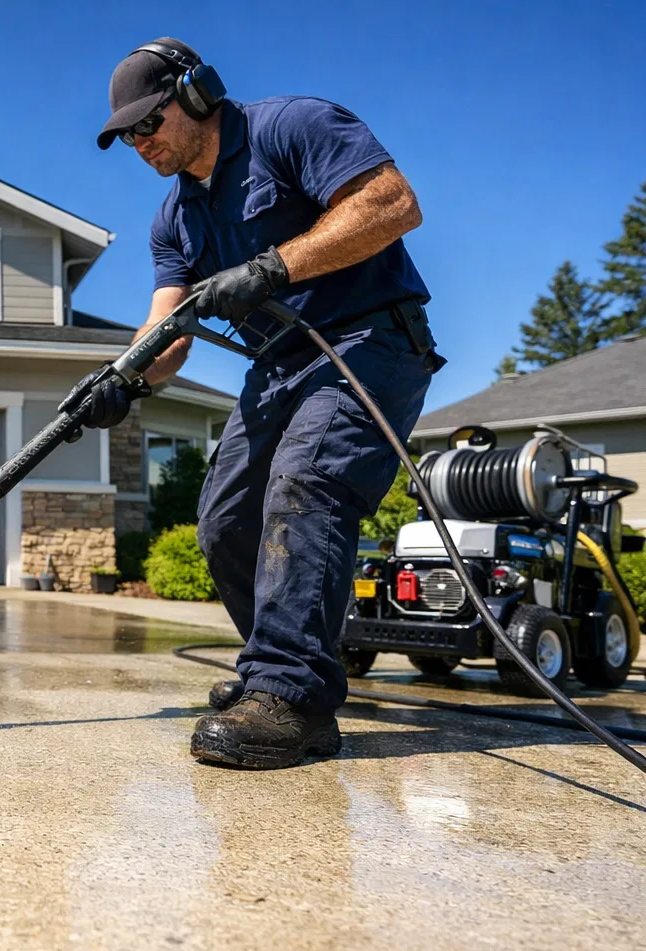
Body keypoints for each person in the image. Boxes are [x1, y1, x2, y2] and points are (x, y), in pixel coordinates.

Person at [87, 37, 443, 769]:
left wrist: (273, 267)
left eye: (147, 124)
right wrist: (122, 378)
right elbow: (171, 332)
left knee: (306, 482)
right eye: (125, 135)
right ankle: (273, 672)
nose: (138, 143)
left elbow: (392, 204)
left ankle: (295, 697)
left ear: (195, 95)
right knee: (223, 521)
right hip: (279, 365)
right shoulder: (175, 217)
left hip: (369, 340)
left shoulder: (292, 127)